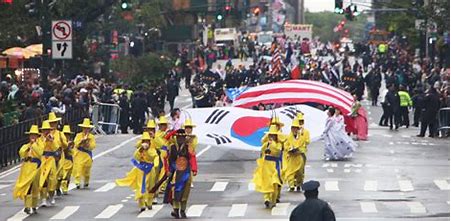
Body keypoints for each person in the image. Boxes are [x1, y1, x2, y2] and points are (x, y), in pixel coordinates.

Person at [116, 132, 158, 212]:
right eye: (144, 141)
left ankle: (149, 201)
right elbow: (136, 157)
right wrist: (141, 150)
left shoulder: (152, 150)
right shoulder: (139, 151)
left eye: (147, 141)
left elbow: (154, 157)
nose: (145, 143)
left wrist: (155, 165)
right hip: (141, 169)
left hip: (150, 169)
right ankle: (141, 204)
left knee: (151, 186)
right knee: (141, 187)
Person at [164, 129, 198, 219]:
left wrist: (194, 169)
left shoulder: (188, 147)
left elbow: (192, 158)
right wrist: (168, 170)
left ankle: (182, 210)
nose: (180, 139)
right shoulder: (172, 147)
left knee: (185, 191)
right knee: (175, 191)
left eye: (182, 137)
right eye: (179, 137)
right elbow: (168, 159)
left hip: (186, 171)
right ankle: (176, 210)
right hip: (175, 171)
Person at [13, 125, 43, 215]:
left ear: (37, 137)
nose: (32, 137)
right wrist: (28, 147)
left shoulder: (39, 145)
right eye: (31, 135)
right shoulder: (25, 146)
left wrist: (34, 145)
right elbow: (21, 153)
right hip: (27, 168)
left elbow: (40, 153)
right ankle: (27, 206)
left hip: (36, 168)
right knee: (28, 187)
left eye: (34, 135)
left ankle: (34, 206)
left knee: (35, 187)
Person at [253, 125, 284, 209]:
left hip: (275, 165)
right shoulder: (266, 144)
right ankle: (266, 199)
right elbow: (262, 149)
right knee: (266, 183)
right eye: (270, 135)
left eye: (273, 135)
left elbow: (278, 151)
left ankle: (273, 200)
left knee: (275, 182)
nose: (272, 136)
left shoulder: (278, 144)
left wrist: (272, 143)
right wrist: (267, 144)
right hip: (266, 165)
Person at [283, 118, 308, 192]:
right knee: (290, 172)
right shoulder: (288, 137)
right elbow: (285, 146)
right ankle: (291, 185)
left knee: (300, 173)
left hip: (299, 157)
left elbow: (304, 147)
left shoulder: (302, 138)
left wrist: (299, 150)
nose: (294, 129)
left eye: (296, 128)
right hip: (291, 158)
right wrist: (289, 149)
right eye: (293, 128)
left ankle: (298, 184)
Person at [37, 120, 59, 207]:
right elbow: (39, 150)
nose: (46, 132)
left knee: (52, 178)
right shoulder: (39, 140)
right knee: (43, 179)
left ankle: (51, 195)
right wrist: (45, 141)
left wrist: (51, 141)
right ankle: (43, 198)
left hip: (51, 159)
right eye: (44, 130)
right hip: (42, 159)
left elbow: (56, 148)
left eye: (48, 130)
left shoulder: (52, 138)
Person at [47, 112, 68, 196]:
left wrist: (63, 142)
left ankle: (57, 187)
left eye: (54, 123)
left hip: (59, 155)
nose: (53, 125)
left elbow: (65, 145)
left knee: (60, 173)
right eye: (51, 123)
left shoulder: (60, 133)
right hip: (49, 156)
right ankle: (49, 190)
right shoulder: (45, 134)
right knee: (50, 174)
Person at [73, 118, 96, 189]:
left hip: (87, 155)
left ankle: (86, 181)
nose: (86, 130)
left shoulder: (91, 137)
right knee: (78, 167)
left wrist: (87, 144)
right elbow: (76, 144)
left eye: (87, 128)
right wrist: (81, 141)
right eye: (84, 128)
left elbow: (93, 146)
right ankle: (77, 181)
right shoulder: (78, 135)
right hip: (79, 153)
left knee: (87, 169)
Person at [60, 125, 74, 195]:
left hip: (70, 160)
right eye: (65, 134)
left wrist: (70, 146)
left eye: (68, 134)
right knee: (63, 175)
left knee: (68, 175)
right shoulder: (61, 142)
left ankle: (66, 186)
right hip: (63, 159)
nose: (66, 136)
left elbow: (72, 151)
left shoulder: (71, 142)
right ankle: (62, 187)